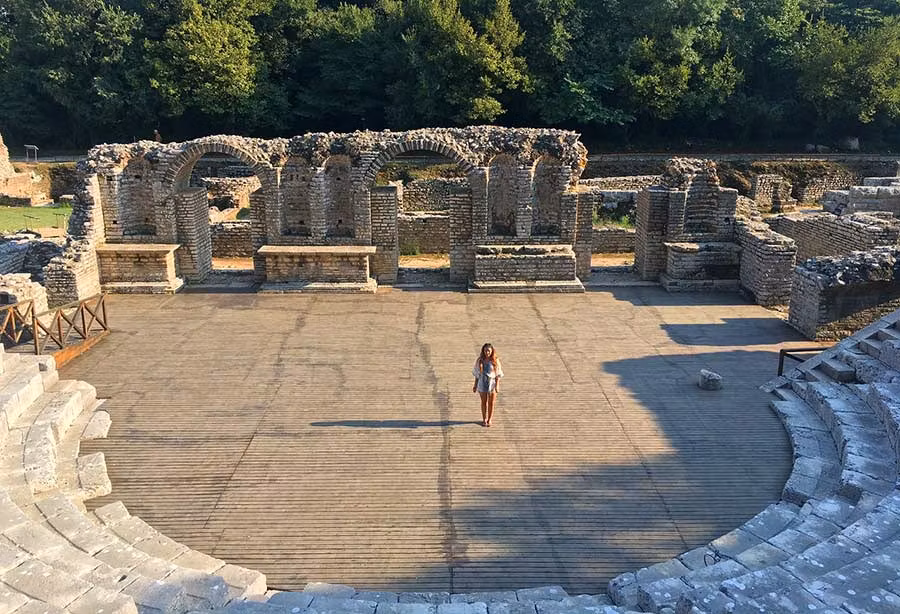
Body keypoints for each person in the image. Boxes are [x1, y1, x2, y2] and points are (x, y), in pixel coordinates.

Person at [472, 343, 503, 427]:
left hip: (492, 383)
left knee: (491, 402)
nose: (487, 352)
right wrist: (475, 385)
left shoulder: (495, 360)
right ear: (483, 351)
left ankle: (490, 419)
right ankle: (484, 419)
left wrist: (497, 385)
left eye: (488, 350)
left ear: (492, 351)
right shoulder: (480, 360)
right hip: (482, 382)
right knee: (483, 402)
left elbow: (498, 374)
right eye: (485, 350)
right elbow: (477, 373)